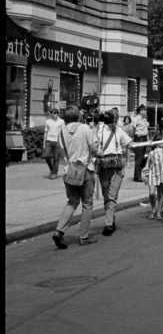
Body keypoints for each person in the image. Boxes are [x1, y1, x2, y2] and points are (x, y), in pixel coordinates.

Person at [51, 106, 98, 248]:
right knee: (87, 203)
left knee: (72, 202)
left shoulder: (61, 132)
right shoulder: (85, 129)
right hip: (85, 169)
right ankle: (83, 236)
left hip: (69, 170)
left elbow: (62, 151)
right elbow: (94, 149)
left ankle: (59, 231)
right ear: (78, 116)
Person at [93, 109, 132, 237]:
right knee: (106, 195)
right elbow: (92, 145)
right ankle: (111, 219)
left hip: (117, 166)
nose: (113, 124)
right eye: (112, 121)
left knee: (111, 195)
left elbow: (129, 143)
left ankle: (108, 224)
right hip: (103, 165)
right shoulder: (98, 130)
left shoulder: (119, 131)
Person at [42, 108, 65, 179]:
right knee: (46, 155)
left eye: (57, 113)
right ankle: (52, 169)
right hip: (49, 141)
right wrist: (44, 143)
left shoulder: (61, 121)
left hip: (57, 141)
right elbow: (45, 133)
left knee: (56, 158)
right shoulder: (48, 121)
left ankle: (54, 173)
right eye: (54, 113)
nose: (56, 115)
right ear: (51, 114)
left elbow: (63, 132)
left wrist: (63, 143)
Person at [130, 105, 150, 182]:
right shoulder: (137, 118)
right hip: (139, 138)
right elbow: (133, 129)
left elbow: (146, 130)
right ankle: (137, 176)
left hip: (144, 138)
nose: (145, 111)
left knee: (142, 158)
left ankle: (139, 174)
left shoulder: (144, 119)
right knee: (139, 158)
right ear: (140, 111)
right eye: (144, 110)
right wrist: (133, 139)